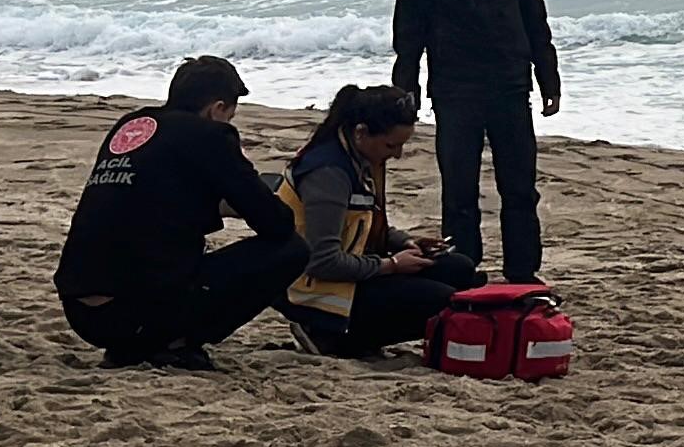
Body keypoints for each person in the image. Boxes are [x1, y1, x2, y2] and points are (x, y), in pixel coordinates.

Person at [53, 55, 306, 370]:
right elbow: (277, 224)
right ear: (217, 109)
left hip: (80, 310)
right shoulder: (211, 136)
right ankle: (175, 342)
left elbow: (153, 202)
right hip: (133, 313)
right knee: (292, 250)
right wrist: (241, 187)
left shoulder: (133, 126)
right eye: (230, 114)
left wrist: (217, 203)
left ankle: (141, 344)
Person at [392, 0, 559, 285]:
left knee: (520, 188)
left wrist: (548, 75)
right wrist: (405, 84)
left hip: (510, 84)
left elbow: (534, 15)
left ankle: (523, 272)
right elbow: (409, 21)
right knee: (460, 191)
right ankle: (463, 271)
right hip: (455, 87)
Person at [281, 83, 477, 358]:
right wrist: (392, 265)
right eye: (391, 145)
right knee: (442, 301)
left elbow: (364, 224)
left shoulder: (359, 157)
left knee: (459, 269)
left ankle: (359, 332)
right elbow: (322, 261)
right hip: (316, 290)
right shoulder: (328, 173)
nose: (396, 154)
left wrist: (407, 243)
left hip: (353, 271)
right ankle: (330, 336)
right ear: (361, 133)